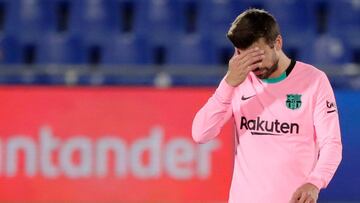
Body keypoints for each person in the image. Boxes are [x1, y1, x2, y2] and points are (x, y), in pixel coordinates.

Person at [192, 8, 342, 203]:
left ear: (277, 43)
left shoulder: (314, 81)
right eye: (242, 55)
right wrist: (228, 84)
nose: (252, 65)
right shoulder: (238, 80)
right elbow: (201, 134)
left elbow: (332, 144)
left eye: (258, 55)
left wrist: (314, 182)